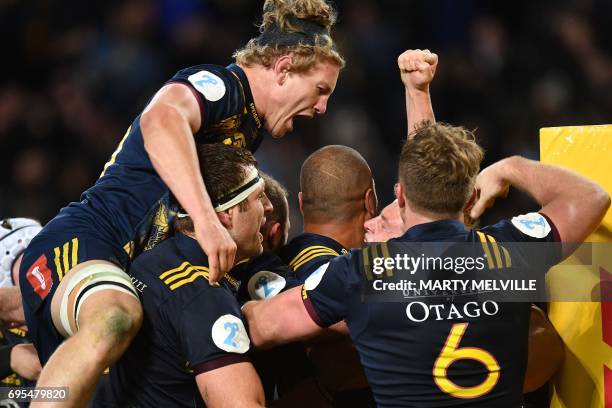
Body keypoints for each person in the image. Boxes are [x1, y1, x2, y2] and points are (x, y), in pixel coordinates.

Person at [18, 0, 344, 405]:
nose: (322, 106)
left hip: (124, 272)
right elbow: (161, 119)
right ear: (283, 69)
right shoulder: (223, 86)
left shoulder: (247, 128)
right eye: (320, 89)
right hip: (86, 244)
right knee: (115, 316)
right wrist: (207, 222)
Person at [243, 122, 610, 407]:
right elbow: (591, 197)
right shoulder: (509, 251)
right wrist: (511, 168)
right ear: (469, 197)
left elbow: (263, 327)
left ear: (399, 195)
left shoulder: (359, 273)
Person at [94, 143, 270, 407]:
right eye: (259, 197)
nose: (268, 207)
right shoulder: (201, 293)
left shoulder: (148, 260)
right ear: (227, 215)